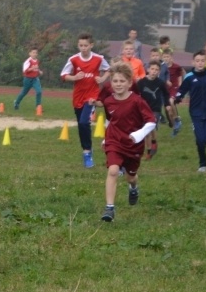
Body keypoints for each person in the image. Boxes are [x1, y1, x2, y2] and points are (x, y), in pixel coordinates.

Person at [100, 62, 156, 222]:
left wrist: (139, 134)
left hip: (133, 145)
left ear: (130, 83)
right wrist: (105, 138)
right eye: (115, 81)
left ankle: (133, 188)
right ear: (111, 82)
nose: (118, 84)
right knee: (113, 170)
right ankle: (109, 208)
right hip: (114, 141)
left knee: (130, 176)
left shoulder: (137, 101)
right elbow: (110, 121)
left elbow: (151, 121)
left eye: (122, 81)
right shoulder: (108, 101)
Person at [60, 33, 110, 168]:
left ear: (91, 45)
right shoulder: (74, 60)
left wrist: (103, 78)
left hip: (92, 96)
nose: (83, 48)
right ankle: (87, 149)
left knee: (84, 122)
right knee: (81, 125)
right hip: (78, 97)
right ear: (78, 45)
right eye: (81, 45)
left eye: (86, 45)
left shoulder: (99, 59)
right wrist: (74, 77)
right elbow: (64, 75)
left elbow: (108, 70)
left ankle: (87, 153)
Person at [136, 60, 169, 159]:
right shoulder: (141, 83)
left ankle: (150, 150)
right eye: (152, 69)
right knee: (147, 130)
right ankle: (151, 147)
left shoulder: (160, 83)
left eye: (157, 70)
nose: (154, 71)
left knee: (149, 127)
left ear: (159, 72)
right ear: (148, 70)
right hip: (144, 109)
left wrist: (167, 104)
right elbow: (137, 95)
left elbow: (166, 94)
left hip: (156, 109)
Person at [13, 46, 43, 114]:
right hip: (28, 79)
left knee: (39, 91)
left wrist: (39, 71)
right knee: (24, 92)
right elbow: (25, 71)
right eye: (33, 52)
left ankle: (38, 106)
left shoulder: (37, 61)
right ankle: (16, 103)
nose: (35, 54)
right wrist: (31, 69)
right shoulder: (28, 61)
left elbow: (36, 68)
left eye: (36, 53)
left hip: (35, 79)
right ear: (30, 53)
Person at [161, 48, 183, 135]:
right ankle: (175, 128)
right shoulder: (161, 67)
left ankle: (177, 119)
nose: (166, 58)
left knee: (171, 101)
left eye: (167, 57)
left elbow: (180, 75)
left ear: (171, 57)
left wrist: (180, 85)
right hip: (165, 90)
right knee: (169, 111)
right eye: (164, 57)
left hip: (174, 88)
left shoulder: (176, 67)